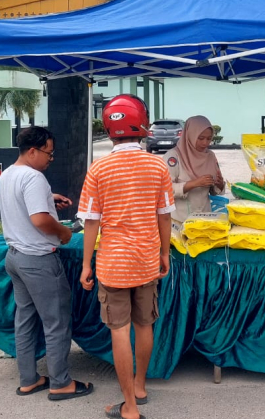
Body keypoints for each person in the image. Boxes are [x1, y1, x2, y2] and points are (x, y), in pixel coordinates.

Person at [78, 94, 174, 419]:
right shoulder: (157, 165)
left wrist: (86, 264)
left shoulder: (98, 168)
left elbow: (91, 222)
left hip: (113, 264)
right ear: (141, 124)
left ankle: (129, 407)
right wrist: (164, 253)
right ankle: (140, 386)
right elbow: (165, 216)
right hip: (147, 260)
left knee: (119, 331)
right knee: (144, 325)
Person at [0, 126, 93, 401]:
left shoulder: (9, 174)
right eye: (48, 154)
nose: (51, 159)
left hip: (14, 257)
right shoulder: (33, 177)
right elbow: (40, 220)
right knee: (56, 322)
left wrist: (48, 199)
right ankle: (61, 382)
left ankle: (28, 379)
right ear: (32, 152)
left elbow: (22, 203)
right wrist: (63, 232)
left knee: (25, 320)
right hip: (38, 259)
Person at [163, 115, 225, 222]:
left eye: (209, 138)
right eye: (200, 138)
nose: (205, 143)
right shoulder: (173, 157)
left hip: (205, 220)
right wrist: (193, 184)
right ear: (190, 135)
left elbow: (214, 190)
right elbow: (165, 190)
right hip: (180, 221)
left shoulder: (210, 156)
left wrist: (219, 185)